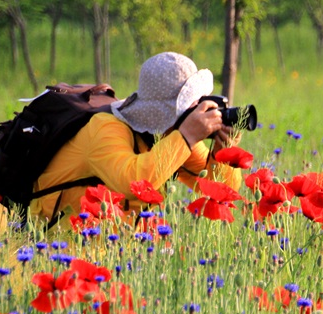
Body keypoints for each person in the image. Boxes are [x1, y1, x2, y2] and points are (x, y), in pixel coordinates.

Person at [29, 52, 243, 225]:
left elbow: (222, 191)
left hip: (121, 245)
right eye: (193, 105)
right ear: (168, 112)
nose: (198, 112)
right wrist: (186, 137)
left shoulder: (171, 134)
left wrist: (223, 153)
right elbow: (133, 183)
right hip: (60, 243)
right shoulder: (105, 128)